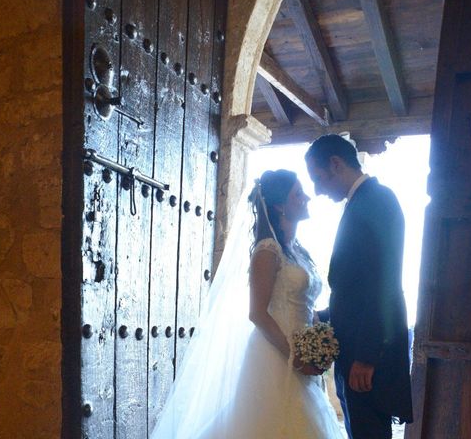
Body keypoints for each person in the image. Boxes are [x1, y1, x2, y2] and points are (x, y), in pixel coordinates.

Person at [151, 169, 344, 439]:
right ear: (279, 206)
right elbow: (257, 314)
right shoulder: (267, 250)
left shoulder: (298, 251)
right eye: (298, 194)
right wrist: (294, 356)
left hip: (303, 354)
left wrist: (316, 346)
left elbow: (307, 305)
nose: (307, 197)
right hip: (275, 354)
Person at [305, 134, 413, 439]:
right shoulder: (362, 203)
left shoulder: (376, 201)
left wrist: (366, 356)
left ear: (336, 164)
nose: (317, 189)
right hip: (354, 348)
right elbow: (357, 287)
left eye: (317, 178)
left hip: (366, 355)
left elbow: (384, 283)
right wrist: (324, 316)